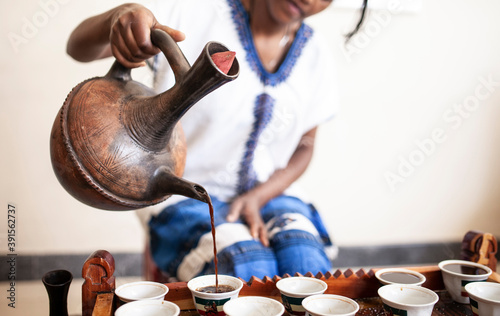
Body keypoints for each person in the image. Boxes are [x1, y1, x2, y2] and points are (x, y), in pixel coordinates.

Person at [67, 0, 368, 282]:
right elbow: (78, 47)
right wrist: (119, 17)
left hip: (272, 194)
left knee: (307, 268)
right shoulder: (196, 14)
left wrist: (260, 196)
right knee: (248, 267)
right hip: (182, 194)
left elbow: (305, 147)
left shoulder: (316, 55)